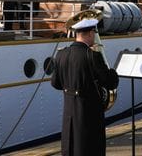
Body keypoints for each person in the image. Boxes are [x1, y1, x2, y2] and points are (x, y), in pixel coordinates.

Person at [50, 18, 119, 155]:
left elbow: (55, 83)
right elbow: (110, 82)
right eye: (94, 32)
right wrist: (113, 72)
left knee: (70, 147)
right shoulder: (93, 56)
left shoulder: (61, 54)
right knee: (90, 148)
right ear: (89, 33)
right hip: (89, 113)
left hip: (69, 111)